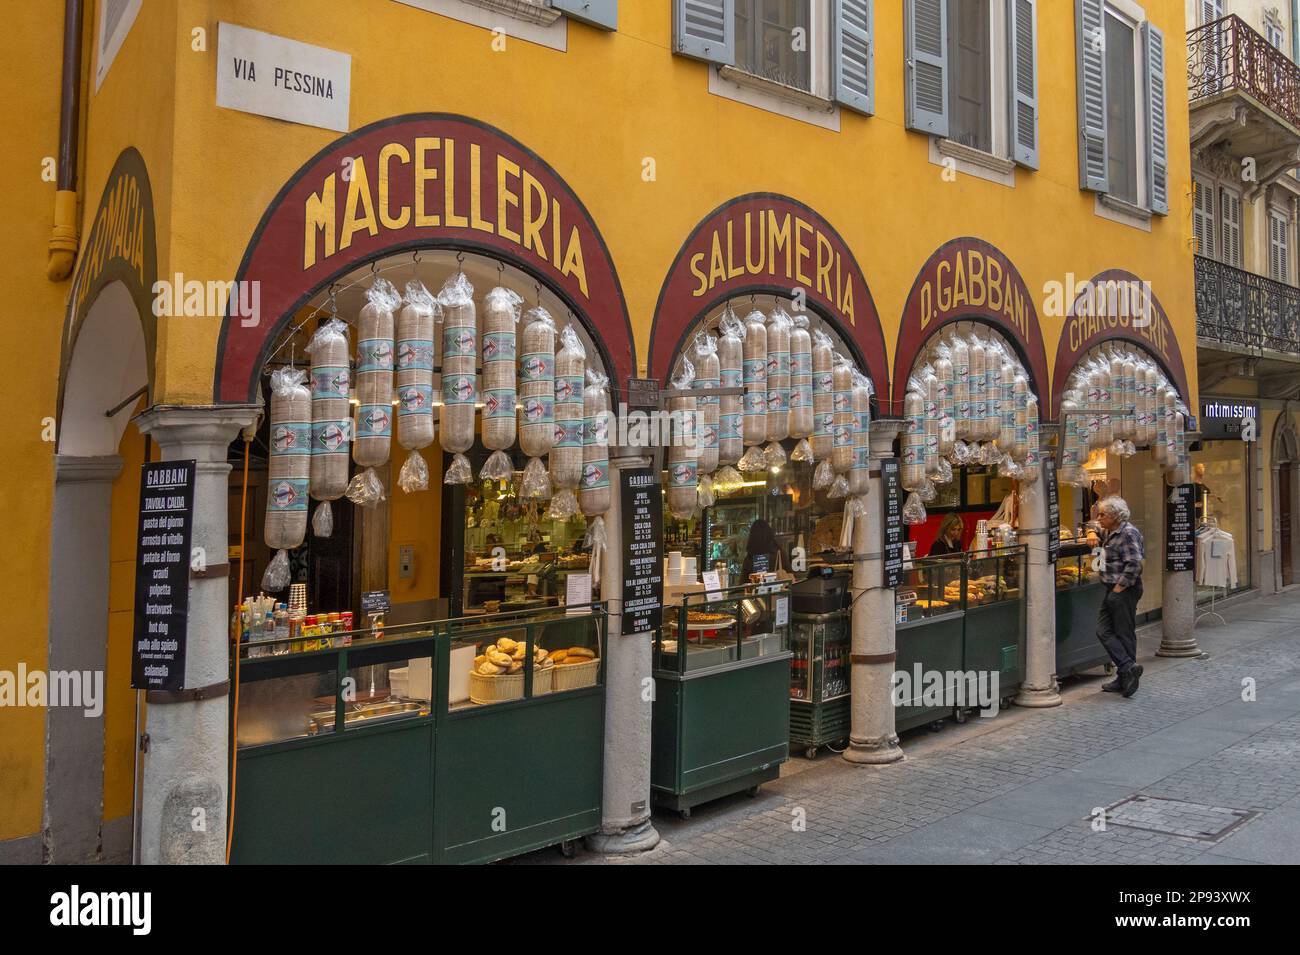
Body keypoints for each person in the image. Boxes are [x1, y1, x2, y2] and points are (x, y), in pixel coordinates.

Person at [1095, 496, 1145, 698]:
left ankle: (1125, 676)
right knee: (1103, 630)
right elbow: (1094, 528)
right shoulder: (1110, 530)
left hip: (1123, 590)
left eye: (1102, 514)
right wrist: (1091, 531)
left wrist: (1118, 588)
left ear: (1115, 516)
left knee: (1124, 633)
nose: (1099, 518)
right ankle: (1127, 669)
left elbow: (1134, 563)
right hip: (1112, 588)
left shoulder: (1127, 533)